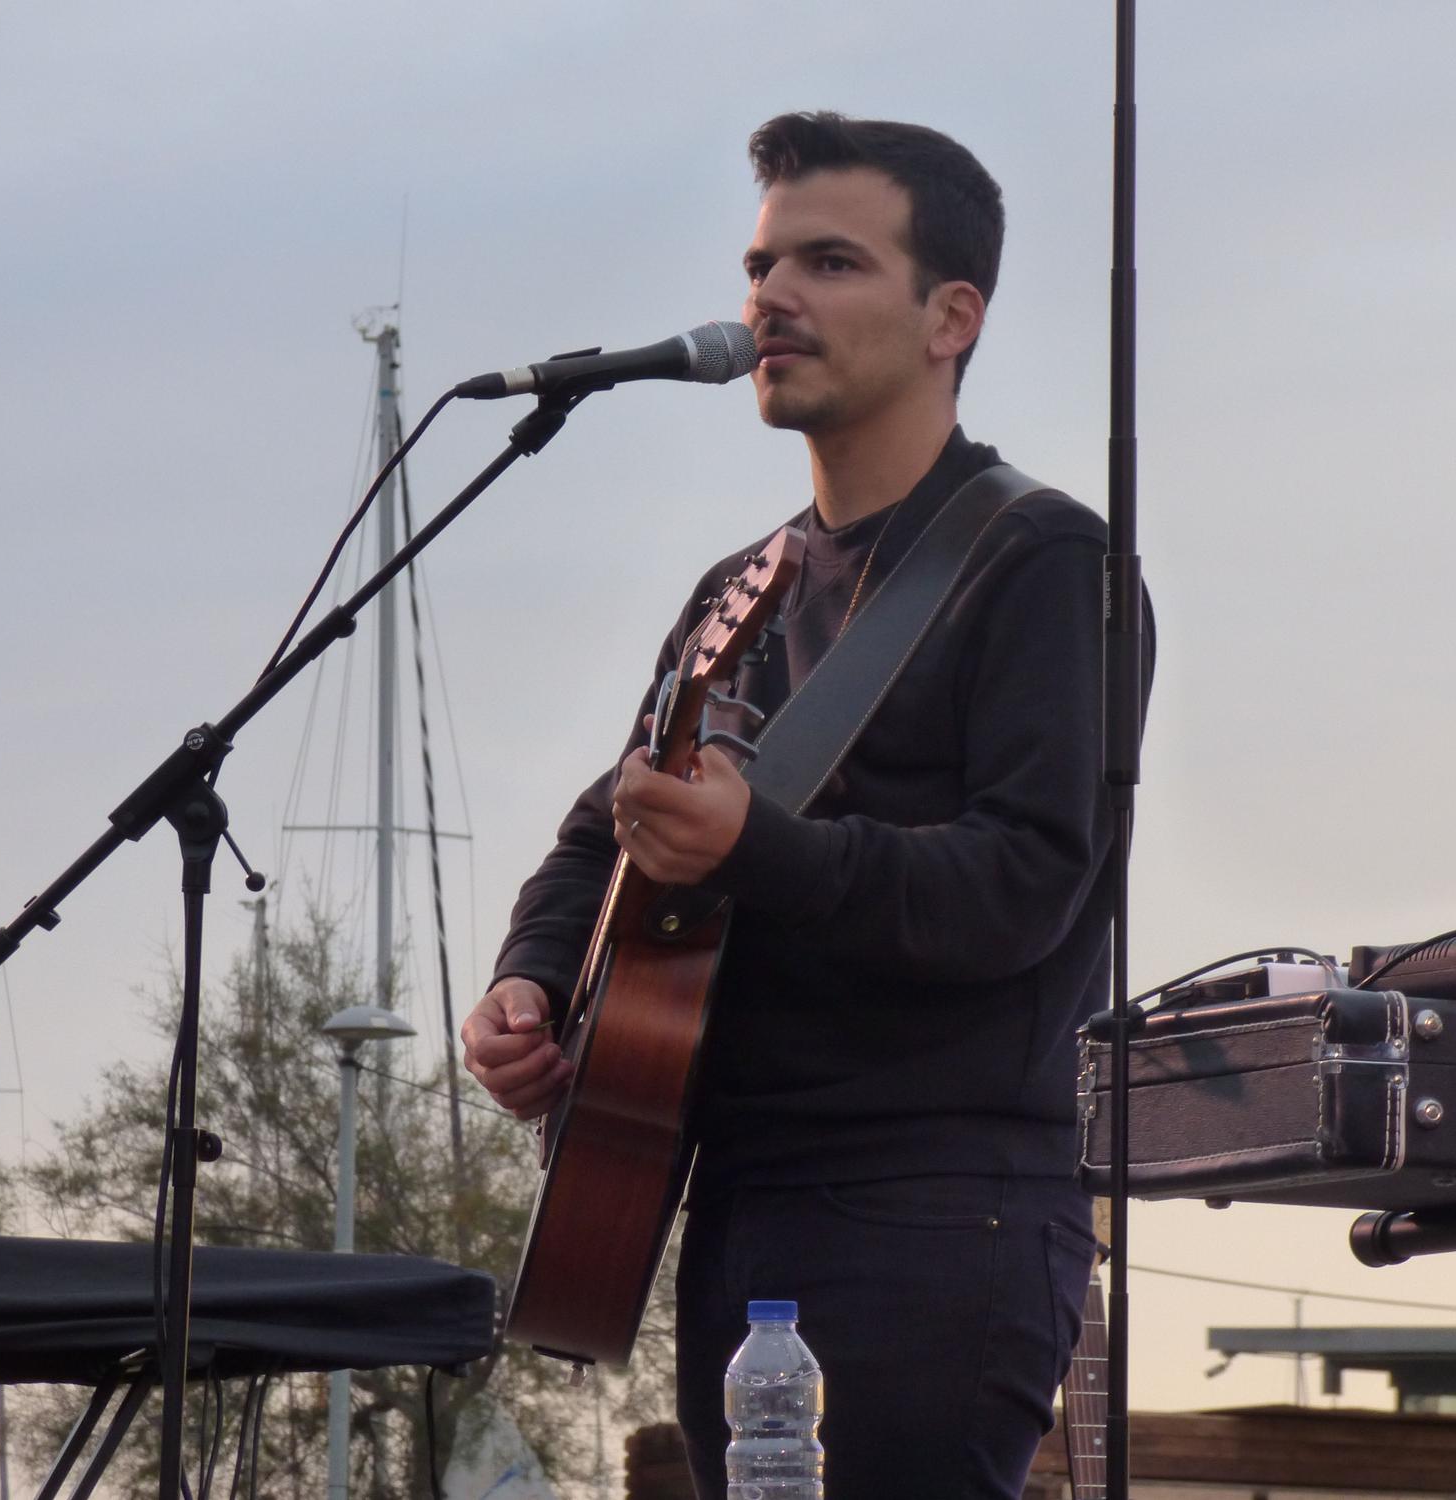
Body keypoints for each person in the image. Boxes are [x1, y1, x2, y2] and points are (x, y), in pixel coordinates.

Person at [463, 111, 1141, 1498]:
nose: (771, 298)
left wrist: (757, 850)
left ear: (953, 315)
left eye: (830, 262)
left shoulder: (1043, 564)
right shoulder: (741, 589)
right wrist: (531, 988)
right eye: (763, 264)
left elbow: (1022, 885)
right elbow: (609, 824)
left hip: (938, 1214)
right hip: (738, 1209)